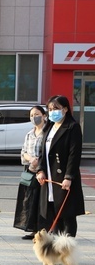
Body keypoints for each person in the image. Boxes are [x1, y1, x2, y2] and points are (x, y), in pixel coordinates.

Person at [36, 95, 85, 237]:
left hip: (64, 179)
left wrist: (69, 176)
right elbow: (42, 152)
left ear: (65, 109)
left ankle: (67, 251)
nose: (52, 112)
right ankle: (57, 251)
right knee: (54, 214)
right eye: (50, 109)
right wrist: (40, 170)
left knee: (67, 215)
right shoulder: (49, 126)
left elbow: (74, 155)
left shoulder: (72, 127)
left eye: (56, 108)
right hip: (49, 177)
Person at [14, 105, 46, 239]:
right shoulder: (29, 134)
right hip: (30, 172)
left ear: (44, 116)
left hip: (43, 173)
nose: (34, 117)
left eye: (37, 114)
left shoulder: (47, 133)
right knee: (29, 202)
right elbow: (23, 152)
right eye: (32, 115)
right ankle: (33, 230)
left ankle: (42, 232)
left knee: (41, 203)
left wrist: (40, 165)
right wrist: (30, 158)